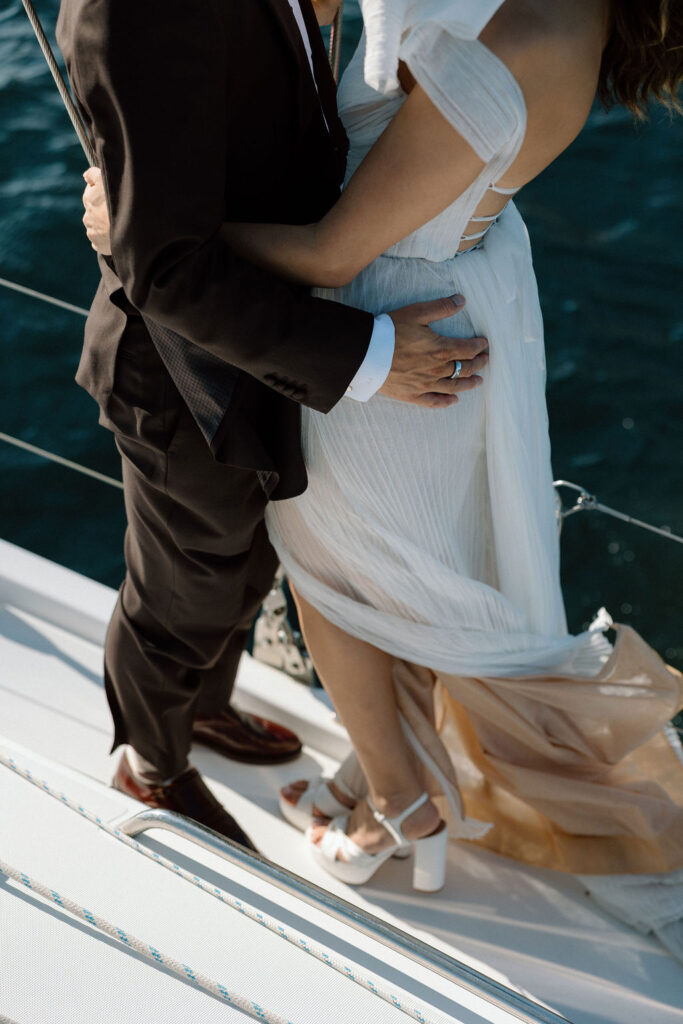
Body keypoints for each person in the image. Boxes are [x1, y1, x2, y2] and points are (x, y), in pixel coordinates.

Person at [83, 0, 683, 959]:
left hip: (383, 323)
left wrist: (148, 227)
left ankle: (398, 807)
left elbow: (329, 249)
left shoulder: (527, 36)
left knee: (333, 580)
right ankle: (388, 775)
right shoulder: (552, 20)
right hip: (441, 293)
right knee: (396, 579)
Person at [56, 0, 488, 851]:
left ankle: (206, 707)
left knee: (250, 559)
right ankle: (151, 765)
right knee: (184, 590)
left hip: (263, 350)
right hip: (183, 383)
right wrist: (364, 353)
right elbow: (164, 265)